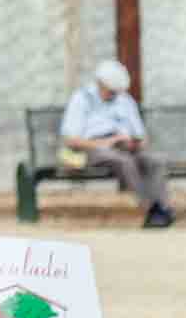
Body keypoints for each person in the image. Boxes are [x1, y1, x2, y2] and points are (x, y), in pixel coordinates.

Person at [60, 55, 178, 228]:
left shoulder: (125, 100)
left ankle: (162, 206)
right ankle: (153, 208)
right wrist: (107, 142)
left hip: (126, 146)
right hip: (95, 148)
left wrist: (134, 142)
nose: (114, 95)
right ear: (100, 83)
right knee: (124, 162)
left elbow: (141, 135)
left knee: (155, 161)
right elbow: (71, 140)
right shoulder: (82, 99)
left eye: (116, 91)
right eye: (111, 91)